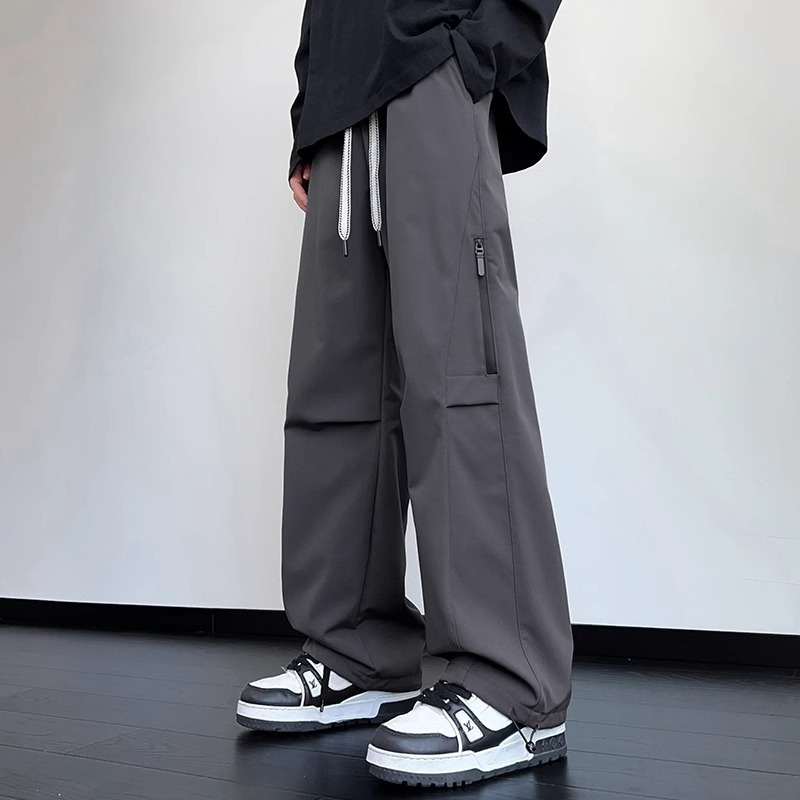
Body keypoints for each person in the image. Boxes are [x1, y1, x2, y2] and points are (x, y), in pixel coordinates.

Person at [236, 0, 573, 788]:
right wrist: (311, 111)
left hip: (436, 60)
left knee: (462, 376)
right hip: (343, 97)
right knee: (336, 385)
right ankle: (357, 645)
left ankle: (511, 681)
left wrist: (481, 46)